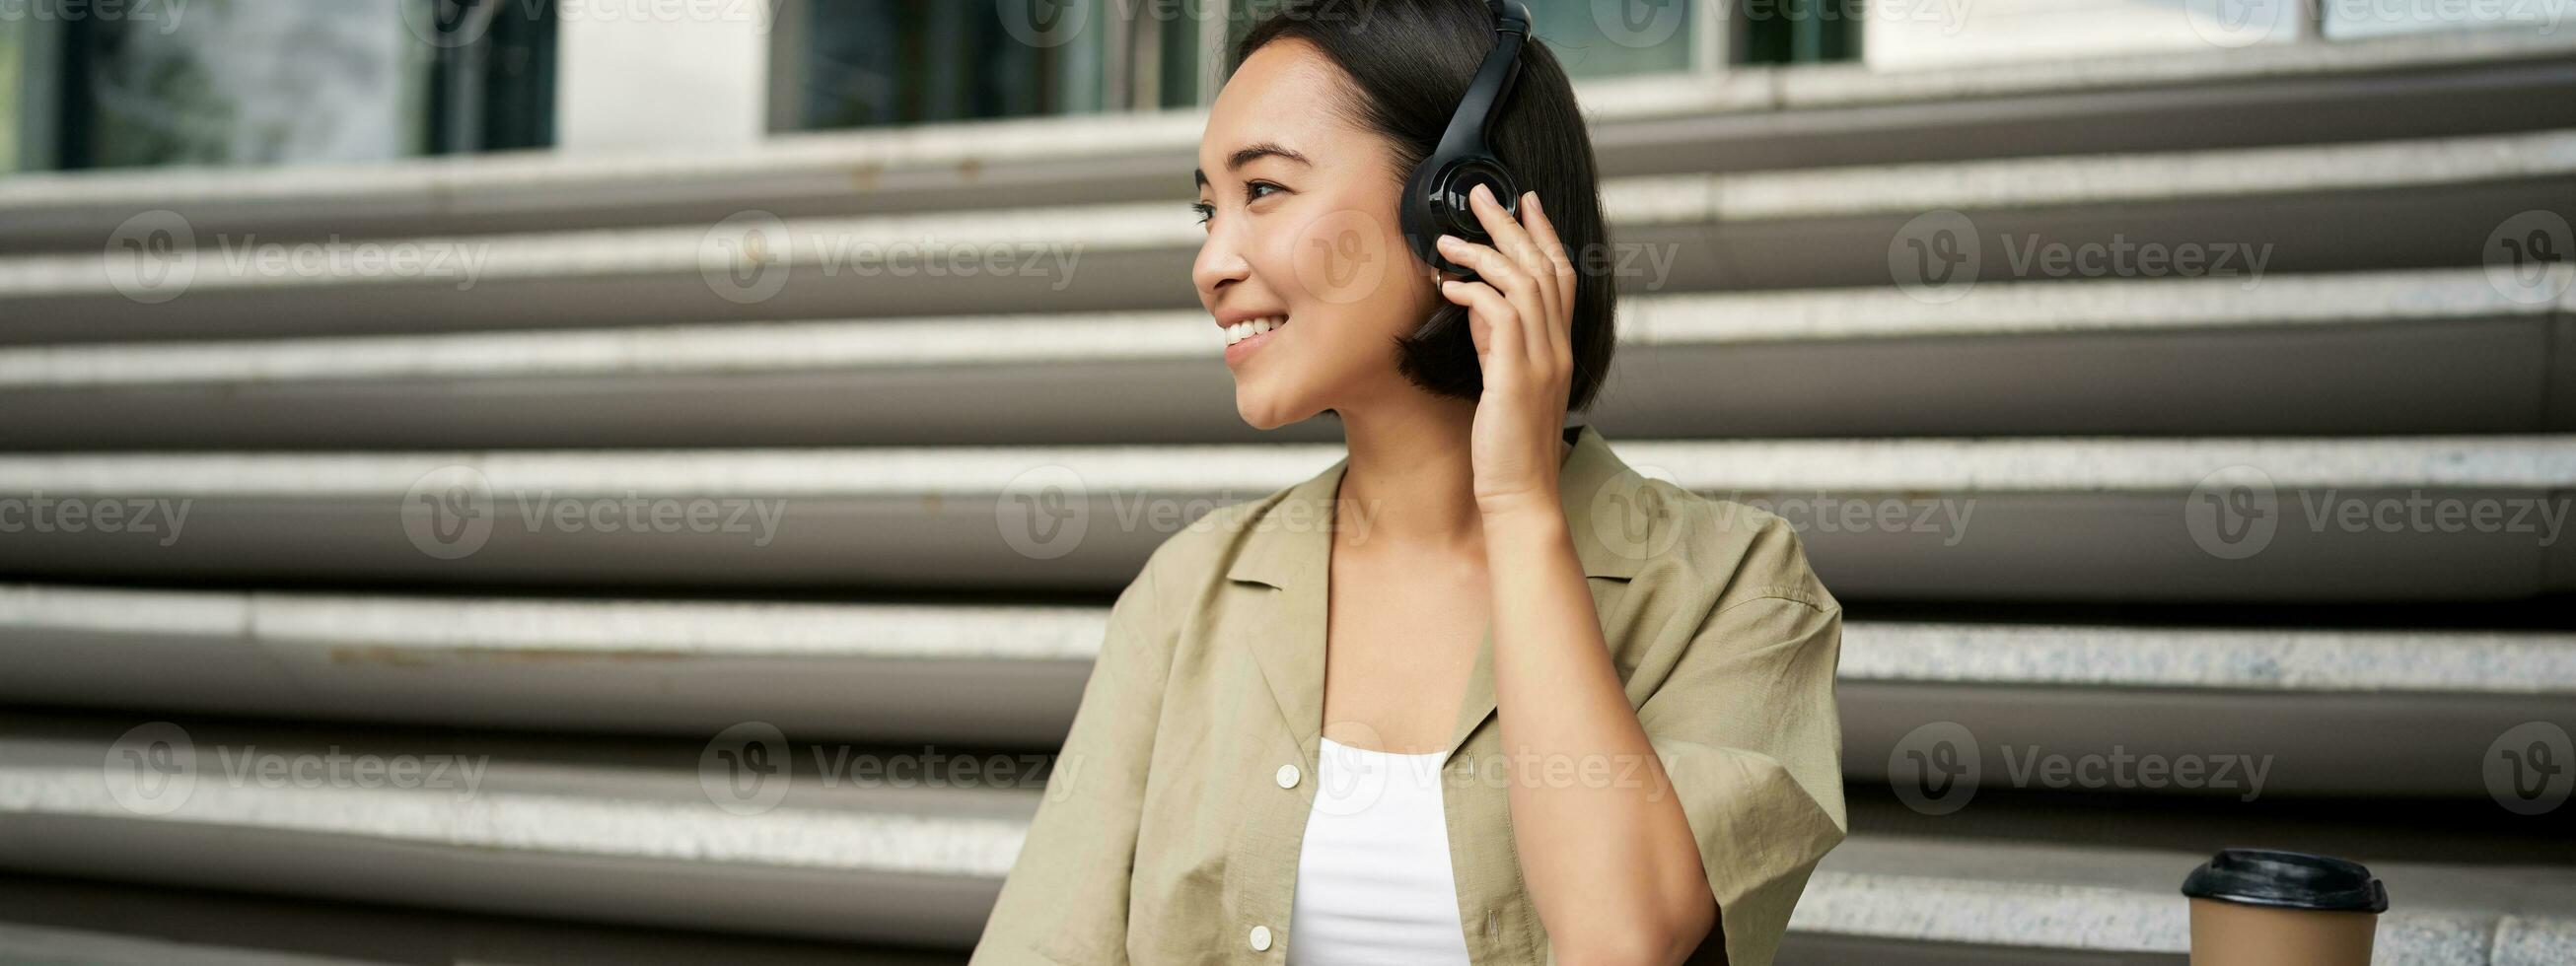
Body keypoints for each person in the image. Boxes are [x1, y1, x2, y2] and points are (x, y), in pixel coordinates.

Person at [970, 2, 1845, 963]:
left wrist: (1517, 506)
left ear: (1456, 201)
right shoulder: (1188, 594)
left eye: (1263, 190)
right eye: (1205, 210)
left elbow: (1620, 936)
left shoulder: (1735, 583)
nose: (1210, 263)